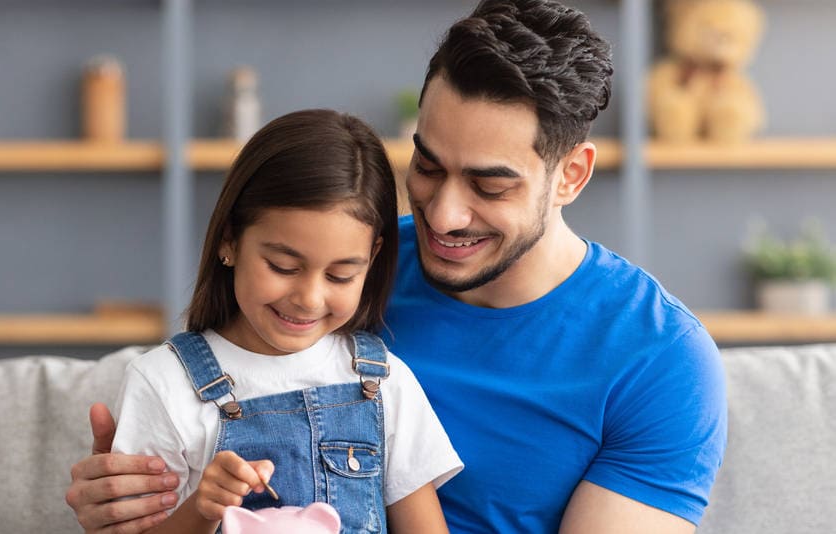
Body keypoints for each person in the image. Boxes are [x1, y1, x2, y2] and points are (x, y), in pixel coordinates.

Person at [66, 1, 727, 533]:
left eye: (489, 186)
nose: (442, 216)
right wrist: (134, 504)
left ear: (570, 176)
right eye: (429, 165)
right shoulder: (344, 269)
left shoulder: (660, 359)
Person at [100, 109, 462, 534]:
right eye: (283, 266)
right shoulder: (163, 384)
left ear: (373, 258)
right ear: (229, 240)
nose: (309, 298)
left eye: (340, 275)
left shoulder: (383, 383)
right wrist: (202, 508)